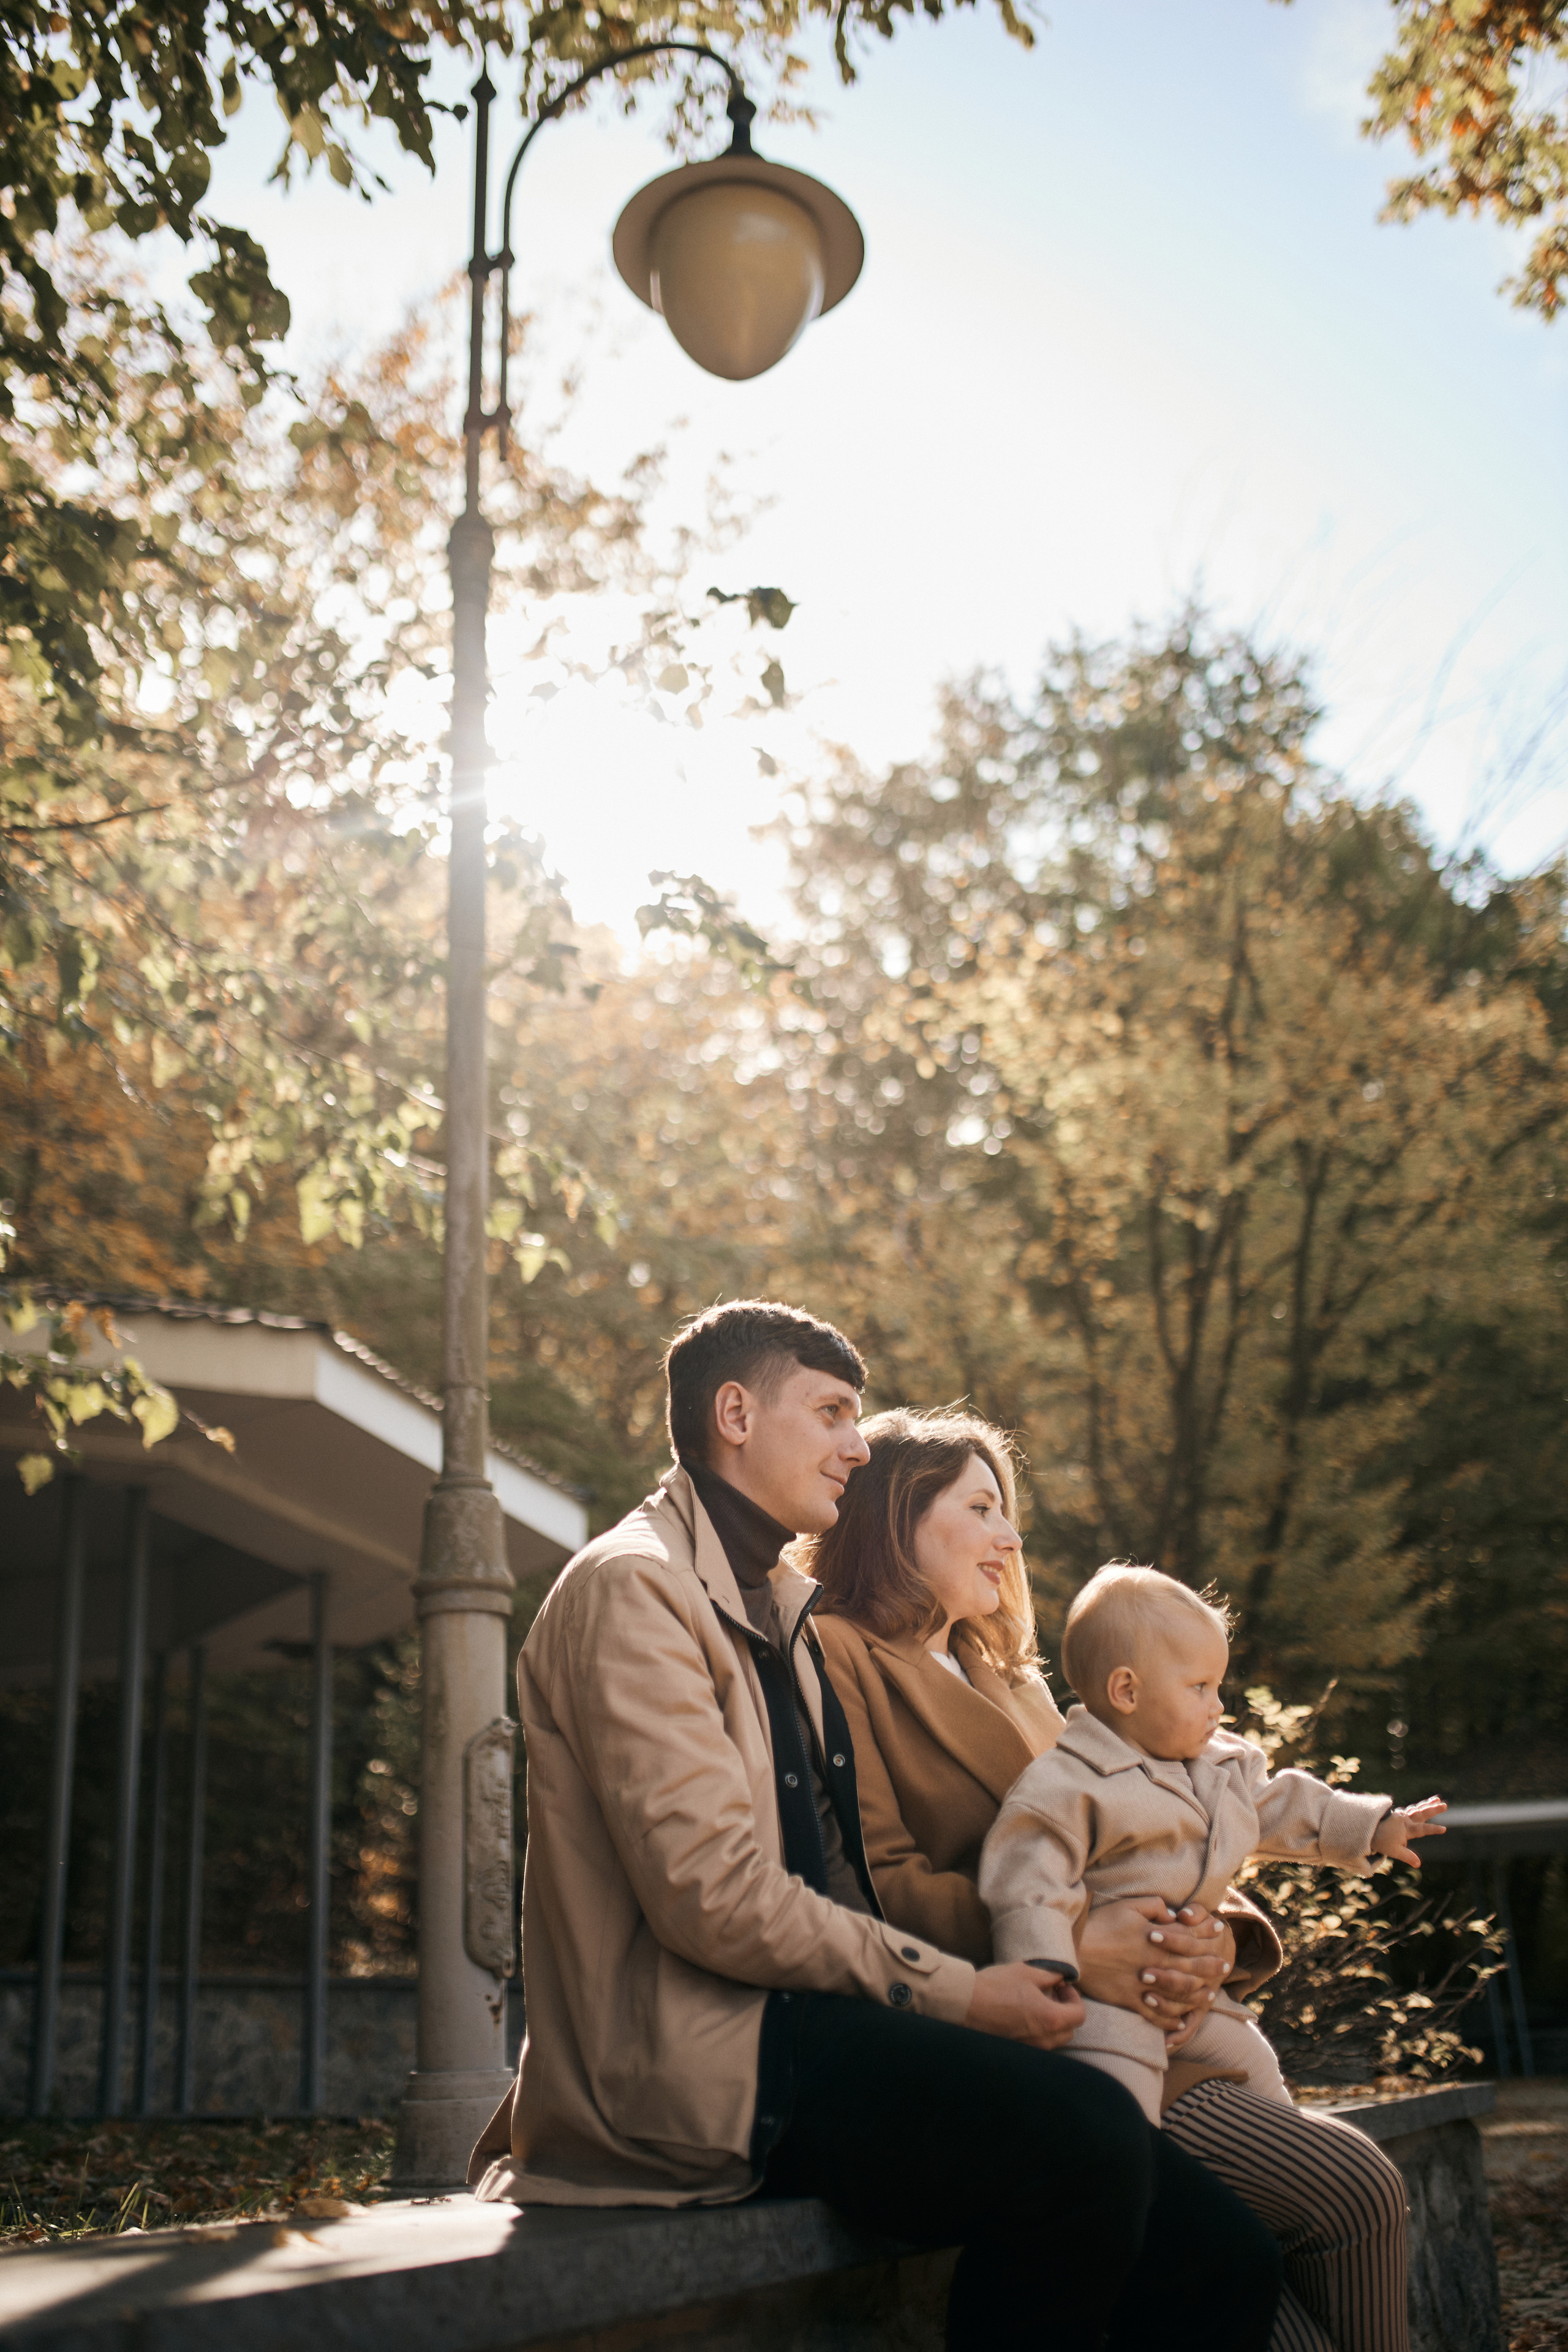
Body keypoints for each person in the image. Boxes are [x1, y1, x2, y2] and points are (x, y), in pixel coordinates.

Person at [470, 1301, 1282, 2352]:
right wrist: (967, 1993)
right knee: (1083, 2150)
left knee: (1226, 2254)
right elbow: (714, 1901)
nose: (859, 1443)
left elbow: (840, 1881)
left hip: (816, 2026)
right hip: (703, 2068)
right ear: (734, 1414)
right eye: (831, 1412)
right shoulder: (634, 1592)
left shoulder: (781, 1609)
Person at [808, 1407, 1419, 2352]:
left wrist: (1211, 1937)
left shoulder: (1012, 1676)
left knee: (1278, 2304)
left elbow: (1147, 1825)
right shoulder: (837, 1656)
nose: (1011, 1537)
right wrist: (1078, 1945)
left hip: (1161, 2021)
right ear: (897, 1519)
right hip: (1059, 2042)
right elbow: (882, 1879)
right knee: (1355, 2190)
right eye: (981, 1507)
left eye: (1008, 1511)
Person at [979, 1562, 1447, 2124]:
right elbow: (1026, 1887)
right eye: (1199, 1687)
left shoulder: (1217, 1766)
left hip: (1194, 1995)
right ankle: (1132, 2187)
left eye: (1217, 1686)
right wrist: (1045, 1976)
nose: (1217, 1705)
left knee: (1259, 2069)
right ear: (1126, 1690)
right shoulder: (1066, 1785)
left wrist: (1374, 1827)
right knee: (1119, 2111)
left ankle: (1284, 2159)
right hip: (1107, 2002)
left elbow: (1283, 1804)